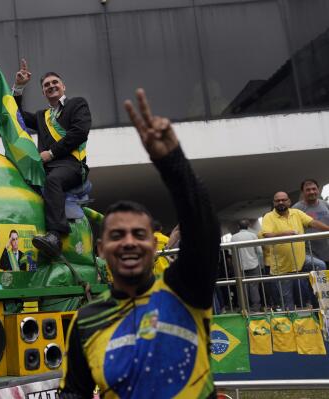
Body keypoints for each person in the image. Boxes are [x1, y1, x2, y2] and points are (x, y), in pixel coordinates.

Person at [59, 89, 220, 398]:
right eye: (117, 235)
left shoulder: (185, 290)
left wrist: (172, 162)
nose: (129, 242)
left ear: (155, 245)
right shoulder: (87, 320)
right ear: (101, 249)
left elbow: (203, 229)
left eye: (139, 234)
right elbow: (73, 393)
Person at [13, 59, 91, 257]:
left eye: (55, 82)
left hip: (71, 166)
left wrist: (52, 153)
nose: (51, 86)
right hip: (45, 168)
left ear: (63, 86)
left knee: (53, 180)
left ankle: (55, 236)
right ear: (43, 92)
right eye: (46, 85)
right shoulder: (42, 115)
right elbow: (16, 116)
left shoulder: (77, 104)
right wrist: (19, 88)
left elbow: (79, 132)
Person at [260, 192, 329, 310]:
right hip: (282, 267)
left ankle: (319, 306)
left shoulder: (296, 213)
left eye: (283, 200)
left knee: (320, 265)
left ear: (289, 201)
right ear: (274, 203)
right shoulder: (268, 217)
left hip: (301, 260)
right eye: (277, 200)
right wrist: (286, 233)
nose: (281, 202)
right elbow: (267, 234)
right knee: (287, 303)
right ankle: (292, 324)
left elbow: (313, 222)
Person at [293, 178, 329, 264]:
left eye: (314, 189)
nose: (312, 192)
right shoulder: (296, 209)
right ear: (302, 192)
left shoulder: (325, 204)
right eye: (308, 190)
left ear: (318, 189)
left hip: (327, 251)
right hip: (310, 254)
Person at [231, 219, 262, 312]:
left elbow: (231, 252)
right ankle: (256, 307)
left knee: (242, 286)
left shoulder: (234, 237)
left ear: (238, 227)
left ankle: (244, 307)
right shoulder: (253, 235)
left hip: (239, 266)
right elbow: (259, 251)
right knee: (254, 286)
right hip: (253, 264)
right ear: (248, 226)